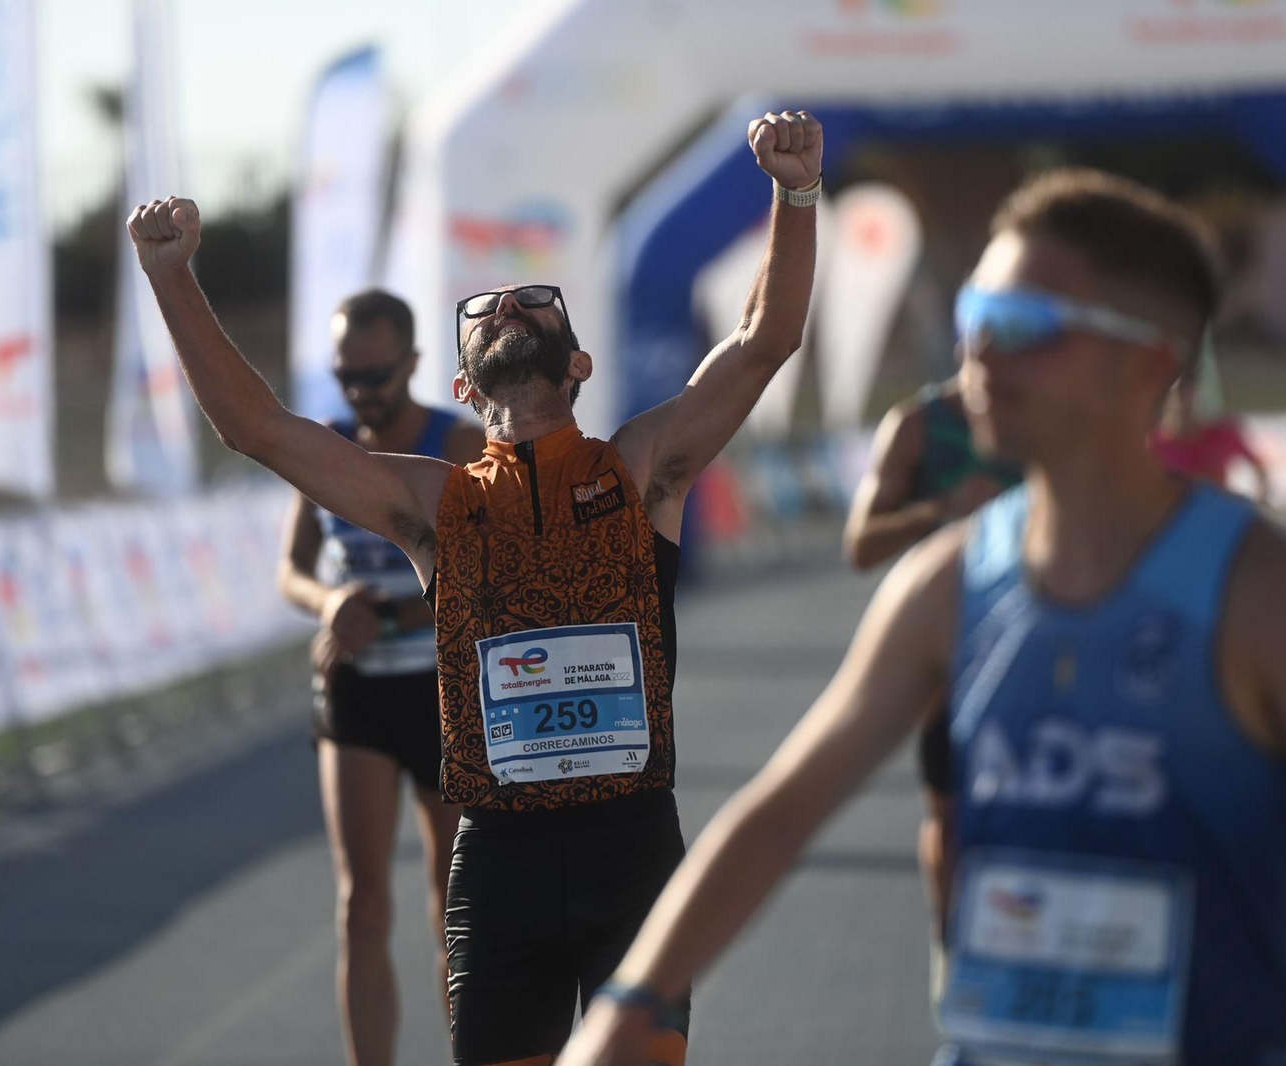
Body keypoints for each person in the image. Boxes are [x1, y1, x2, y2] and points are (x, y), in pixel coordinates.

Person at [559, 169, 1286, 1066]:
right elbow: (779, 815)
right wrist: (627, 1008)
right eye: (977, 315)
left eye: (1023, 329)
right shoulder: (948, 581)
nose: (978, 354)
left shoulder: (1273, 593)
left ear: (1151, 363)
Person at [127, 108, 824, 1066]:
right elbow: (262, 430)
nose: (502, 308)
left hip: (632, 848)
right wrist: (171, 278)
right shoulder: (432, 504)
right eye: (481, 314)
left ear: (578, 363)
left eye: (530, 301)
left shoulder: (639, 470)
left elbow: (762, 339)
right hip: (499, 861)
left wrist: (795, 193)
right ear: (463, 386)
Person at [276, 289, 484, 1066]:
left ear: (413, 364)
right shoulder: (324, 445)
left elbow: (492, 574)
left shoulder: (457, 443)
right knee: (361, 906)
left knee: (453, 909)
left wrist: (397, 616)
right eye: (345, 375)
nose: (359, 391)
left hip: (442, 691)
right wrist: (330, 602)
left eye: (374, 375)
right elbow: (292, 570)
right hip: (358, 691)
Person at [841, 374, 1020, 965]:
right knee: (949, 814)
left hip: (1039, 643)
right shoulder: (917, 426)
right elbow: (862, 544)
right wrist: (939, 510)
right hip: (947, 651)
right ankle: (954, 950)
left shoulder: (1052, 416)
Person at [1147, 363, 1269, 502]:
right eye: (1180, 398)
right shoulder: (1156, 443)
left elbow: (1258, 466)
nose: (1187, 406)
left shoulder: (1223, 434)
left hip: (1212, 513)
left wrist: (1260, 501)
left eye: (1194, 401)